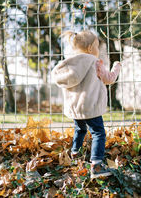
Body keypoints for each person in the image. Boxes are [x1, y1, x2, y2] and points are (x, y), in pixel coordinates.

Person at [51, 30, 121, 178]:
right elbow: (109, 79)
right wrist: (116, 67)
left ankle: (74, 154)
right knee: (98, 133)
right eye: (97, 46)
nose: (98, 50)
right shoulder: (94, 62)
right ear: (90, 48)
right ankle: (96, 165)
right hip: (90, 106)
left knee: (80, 129)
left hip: (75, 108)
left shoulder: (69, 64)